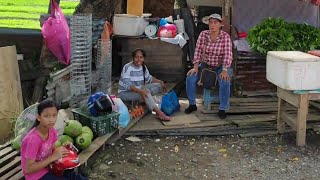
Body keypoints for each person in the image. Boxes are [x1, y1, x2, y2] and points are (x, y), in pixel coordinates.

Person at [21, 99, 87, 180]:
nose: (51, 120)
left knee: (75, 177)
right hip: (36, 176)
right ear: (38, 117)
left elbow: (52, 150)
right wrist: (52, 157)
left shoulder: (51, 131)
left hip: (49, 167)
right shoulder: (33, 140)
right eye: (47, 116)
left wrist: (63, 148)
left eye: (54, 115)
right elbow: (28, 169)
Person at [184, 13, 233, 119]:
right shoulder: (203, 34)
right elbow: (198, 51)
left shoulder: (225, 37)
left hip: (221, 66)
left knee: (225, 81)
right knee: (190, 78)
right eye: (211, 22)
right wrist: (196, 66)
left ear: (220, 24)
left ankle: (222, 108)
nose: (212, 25)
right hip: (206, 65)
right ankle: (192, 104)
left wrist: (224, 70)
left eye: (215, 22)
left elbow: (228, 54)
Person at [118, 48, 170, 121]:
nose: (139, 60)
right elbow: (128, 86)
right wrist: (141, 92)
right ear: (133, 58)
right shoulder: (128, 67)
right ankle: (159, 113)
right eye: (136, 57)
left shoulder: (143, 67)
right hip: (125, 93)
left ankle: (145, 100)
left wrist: (160, 82)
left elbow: (149, 78)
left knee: (158, 86)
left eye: (141, 57)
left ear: (143, 58)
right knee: (146, 92)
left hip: (139, 89)